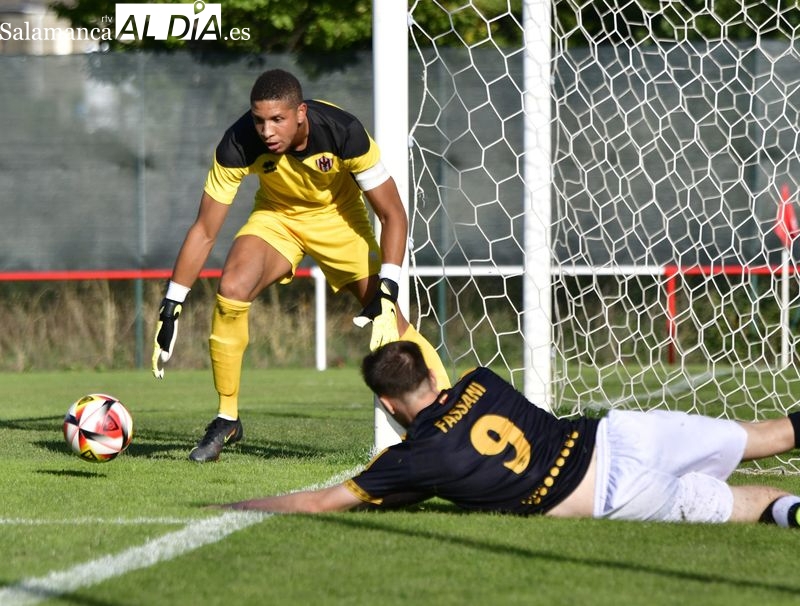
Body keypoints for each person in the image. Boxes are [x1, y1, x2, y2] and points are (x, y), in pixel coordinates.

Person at [151, 69, 450, 462]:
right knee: (232, 288)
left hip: (340, 219)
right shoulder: (236, 144)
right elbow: (205, 230)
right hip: (278, 219)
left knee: (389, 324)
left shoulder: (345, 132)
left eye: (277, 120)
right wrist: (173, 301)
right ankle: (227, 419)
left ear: (300, 113)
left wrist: (388, 287)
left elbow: (393, 214)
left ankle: (447, 417)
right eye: (259, 120)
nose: (266, 130)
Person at [218, 340, 800, 529]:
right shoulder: (484, 382)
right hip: (624, 434)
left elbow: (323, 501)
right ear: (431, 374)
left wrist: (236, 503)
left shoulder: (416, 458)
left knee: (754, 504)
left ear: (389, 404)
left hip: (607, 494)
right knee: (769, 434)